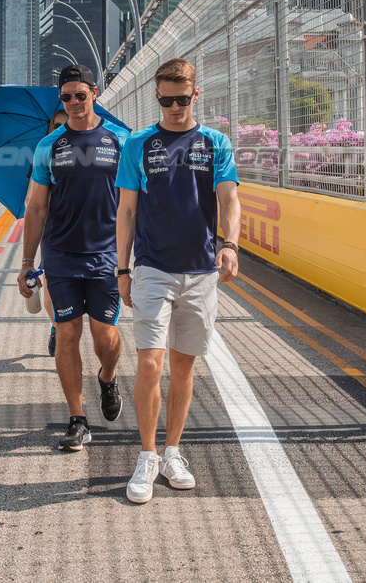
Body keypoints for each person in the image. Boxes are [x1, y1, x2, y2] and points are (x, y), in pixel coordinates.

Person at [114, 57, 240, 503]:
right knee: (151, 363)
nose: (172, 107)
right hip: (152, 268)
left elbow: (229, 199)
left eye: (181, 99)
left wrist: (230, 244)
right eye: (165, 99)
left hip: (201, 271)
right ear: (156, 96)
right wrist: (122, 268)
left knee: (184, 367)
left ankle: (172, 451)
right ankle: (146, 456)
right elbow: (126, 211)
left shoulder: (215, 142)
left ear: (195, 95)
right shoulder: (138, 144)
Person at [18, 64, 129, 451]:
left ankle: (108, 377)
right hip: (62, 255)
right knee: (66, 334)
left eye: (80, 95)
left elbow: (136, 203)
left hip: (107, 256)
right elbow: (35, 209)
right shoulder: (49, 146)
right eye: (66, 97)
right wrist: (27, 263)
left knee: (105, 337)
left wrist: (136, 256)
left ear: (94, 93)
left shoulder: (121, 139)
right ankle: (77, 418)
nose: (74, 103)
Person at [24, 109, 70, 358]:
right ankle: (55, 327)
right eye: (57, 125)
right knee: (52, 293)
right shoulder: (43, 152)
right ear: (50, 128)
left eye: (67, 123)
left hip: (90, 234)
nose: (62, 128)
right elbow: (30, 201)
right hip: (53, 232)